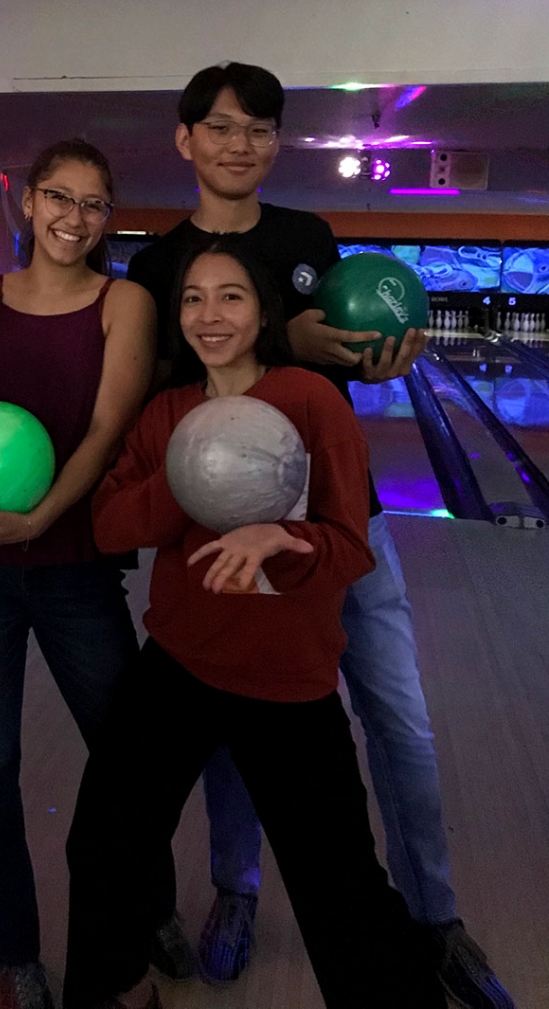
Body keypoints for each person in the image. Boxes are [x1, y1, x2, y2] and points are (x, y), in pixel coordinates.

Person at [127, 61, 515, 1009]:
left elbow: (348, 368)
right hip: (223, 532)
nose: (239, 144)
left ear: (276, 143)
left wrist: (386, 355)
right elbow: (160, 388)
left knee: (400, 720)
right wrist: (278, 346)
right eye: (220, 127)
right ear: (185, 140)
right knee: (229, 728)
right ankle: (237, 889)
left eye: (260, 129)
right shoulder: (155, 265)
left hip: (343, 523)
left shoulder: (311, 238)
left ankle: (433, 912)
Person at [63, 238, 446, 1009]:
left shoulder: (310, 400)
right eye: (194, 298)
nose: (211, 313)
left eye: (230, 295)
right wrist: (191, 474)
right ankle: (117, 989)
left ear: (263, 311)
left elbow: (346, 546)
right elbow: (108, 526)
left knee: (338, 884)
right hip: (179, 661)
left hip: (287, 678)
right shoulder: (168, 413)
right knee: (105, 837)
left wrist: (282, 534)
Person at [0, 139, 155, 1009]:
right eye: (60, 197)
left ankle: (147, 905)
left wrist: (41, 518)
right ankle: (14, 947)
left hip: (72, 563)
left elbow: (105, 429)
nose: (75, 218)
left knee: (126, 752)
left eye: (94, 205)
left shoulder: (123, 302)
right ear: (27, 201)